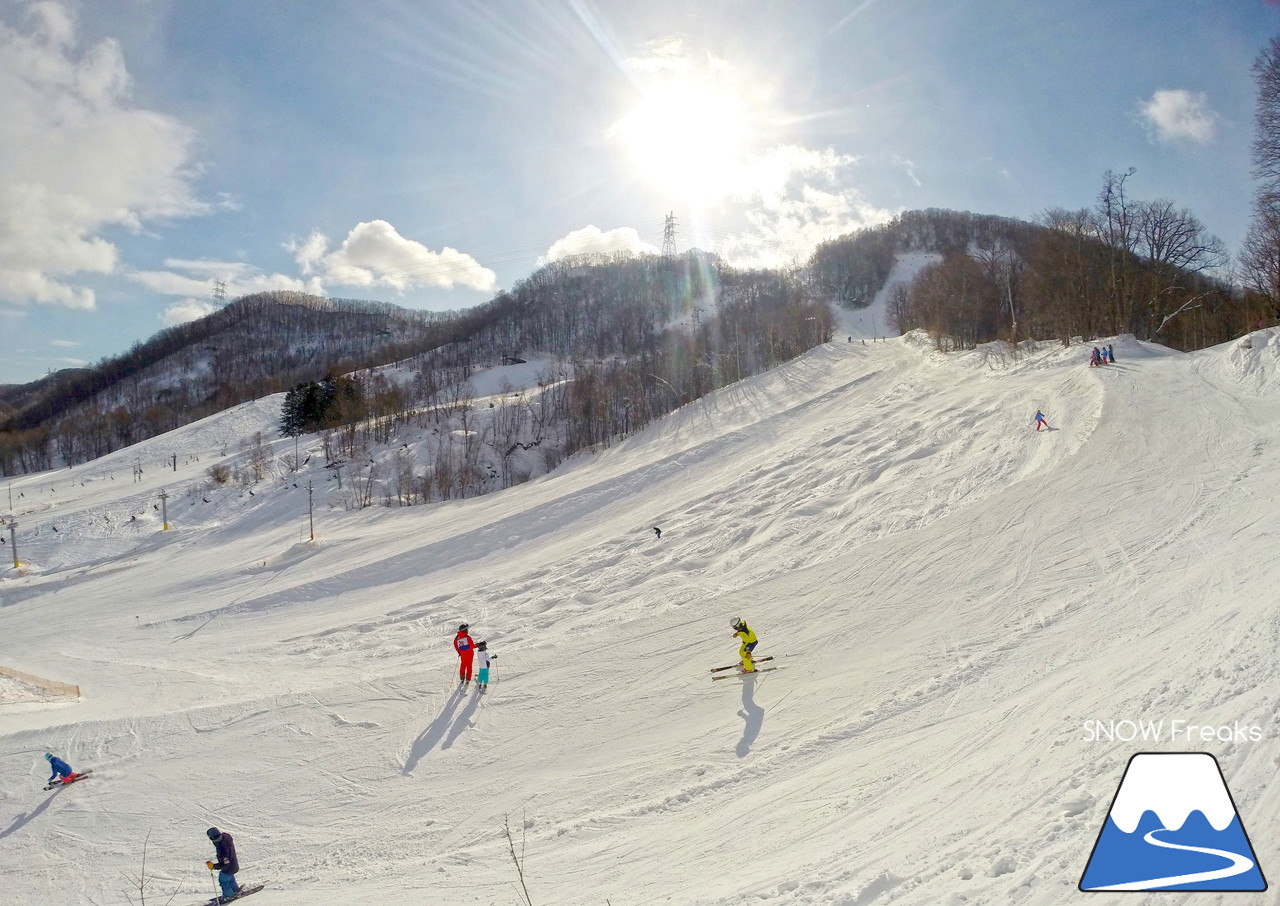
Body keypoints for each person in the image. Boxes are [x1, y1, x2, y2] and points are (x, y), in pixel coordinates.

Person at [205, 827, 241, 900]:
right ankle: (235, 890)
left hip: (229, 868)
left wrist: (213, 866)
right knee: (230, 879)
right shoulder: (226, 838)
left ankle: (229, 896)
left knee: (223, 881)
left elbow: (225, 864)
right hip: (234, 865)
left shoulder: (223, 849)